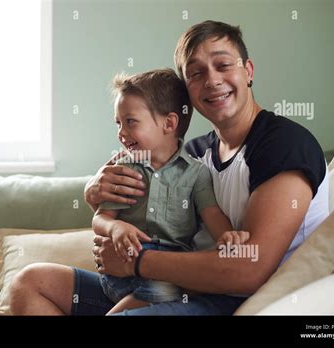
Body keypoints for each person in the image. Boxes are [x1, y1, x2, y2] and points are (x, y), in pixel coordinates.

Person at [9, 20, 329, 316]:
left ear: (248, 70)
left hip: (226, 299)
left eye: (223, 64)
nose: (212, 80)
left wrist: (137, 262)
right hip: (164, 286)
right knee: (32, 283)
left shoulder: (284, 144)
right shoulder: (191, 152)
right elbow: (124, 200)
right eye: (196, 73)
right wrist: (93, 190)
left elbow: (249, 271)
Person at [93, 69, 250, 314]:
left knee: (170, 289)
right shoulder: (124, 169)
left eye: (130, 122)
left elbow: (213, 214)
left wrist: (228, 236)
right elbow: (100, 218)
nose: (121, 133)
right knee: (169, 291)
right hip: (119, 272)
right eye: (118, 123)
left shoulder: (197, 173)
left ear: (169, 123)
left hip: (167, 272)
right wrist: (115, 227)